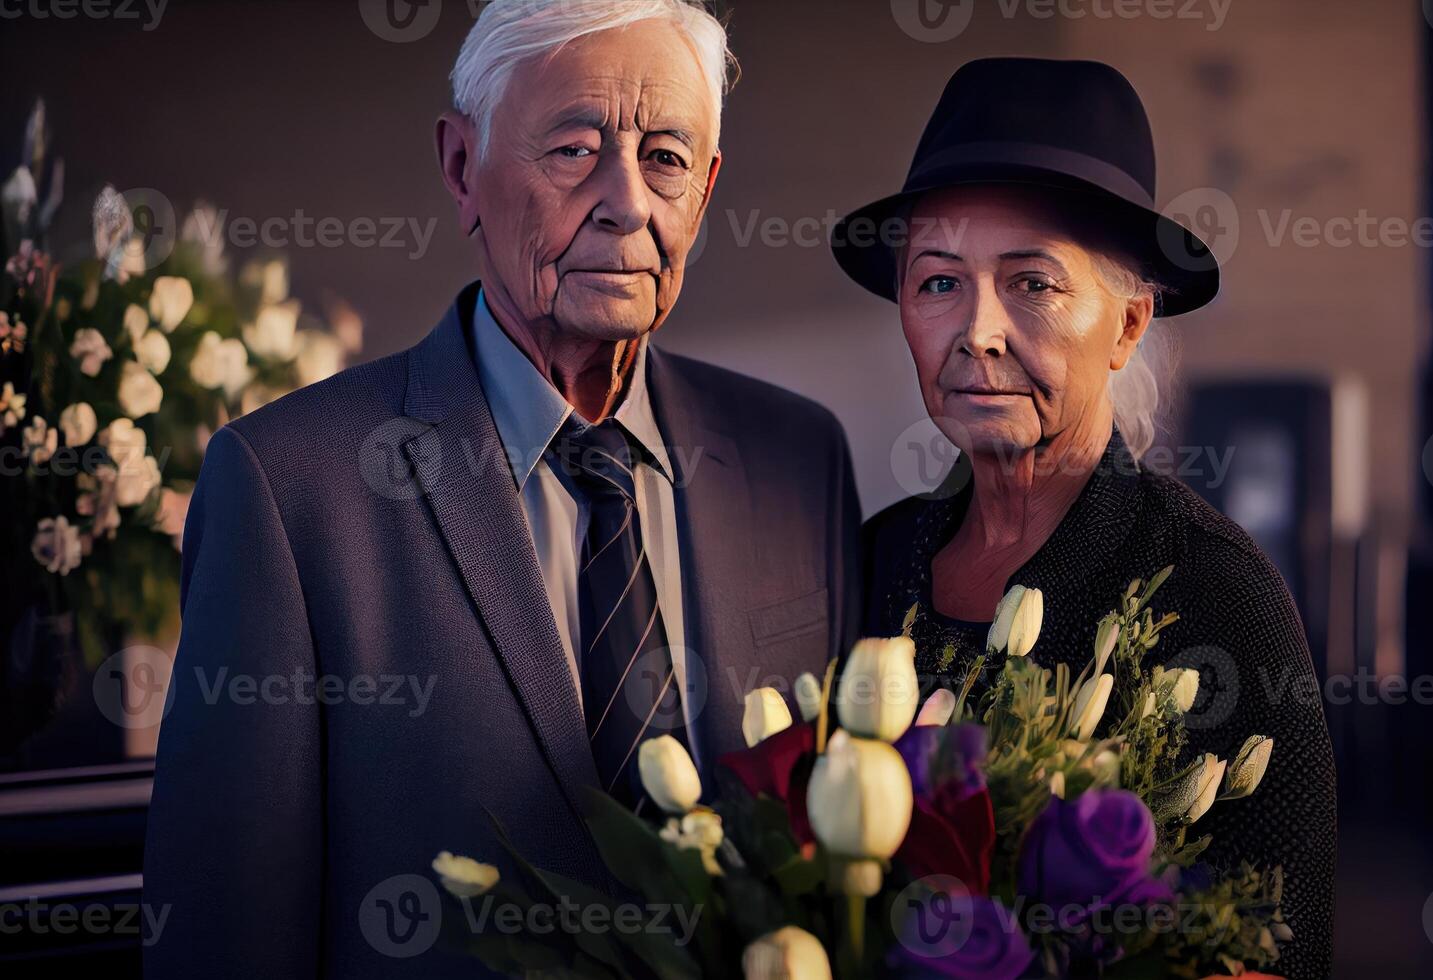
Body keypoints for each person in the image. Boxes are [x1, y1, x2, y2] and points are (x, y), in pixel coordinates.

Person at [144, 3, 859, 976]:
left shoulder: (796, 460)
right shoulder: (288, 486)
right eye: (572, 150)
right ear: (460, 167)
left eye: (665, 158)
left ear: (706, 188)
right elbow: (222, 943)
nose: (624, 203)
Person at [842, 58, 1336, 978]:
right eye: (939, 282)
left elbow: (1285, 948)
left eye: (1032, 284)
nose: (976, 332)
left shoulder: (1212, 590)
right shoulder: (872, 555)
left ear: (1127, 325)